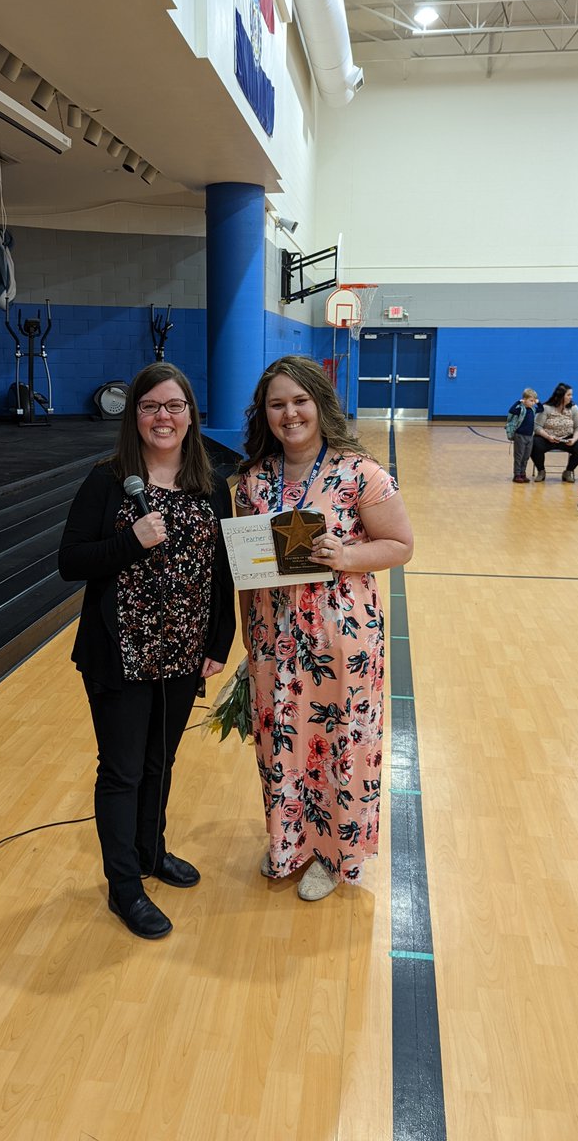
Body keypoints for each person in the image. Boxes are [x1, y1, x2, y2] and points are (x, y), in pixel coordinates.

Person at [58, 362, 235, 939]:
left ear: (190, 415)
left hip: (184, 649)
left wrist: (218, 639)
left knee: (162, 760)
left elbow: (223, 570)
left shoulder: (211, 483)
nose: (164, 417)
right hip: (121, 650)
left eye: (174, 406)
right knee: (123, 770)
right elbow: (71, 561)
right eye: (152, 407)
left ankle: (151, 850)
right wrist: (128, 542)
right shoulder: (107, 480)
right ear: (134, 417)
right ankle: (124, 885)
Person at [235, 355, 414, 902]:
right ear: (264, 414)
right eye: (277, 404)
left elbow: (401, 545)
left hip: (343, 641)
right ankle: (289, 842)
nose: (289, 414)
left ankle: (336, 856)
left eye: (299, 401)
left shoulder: (360, 472)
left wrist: (348, 553)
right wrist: (249, 637)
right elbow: (247, 566)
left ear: (320, 404)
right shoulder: (251, 481)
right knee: (282, 743)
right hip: (274, 640)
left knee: (339, 744)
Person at [531, 383, 578, 482]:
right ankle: (541, 471)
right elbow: (537, 426)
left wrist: (574, 439)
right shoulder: (546, 407)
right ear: (561, 396)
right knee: (533, 444)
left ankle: (568, 471)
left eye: (571, 395)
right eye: (569, 395)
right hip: (547, 438)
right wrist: (548, 436)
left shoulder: (574, 408)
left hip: (566, 439)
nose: (571, 397)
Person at [505, 388, 541, 483]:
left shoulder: (533, 409)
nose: (533, 403)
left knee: (526, 456)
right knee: (519, 456)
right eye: (531, 401)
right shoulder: (520, 409)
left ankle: (522, 474)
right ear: (524, 400)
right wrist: (518, 402)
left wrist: (538, 402)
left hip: (530, 436)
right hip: (520, 436)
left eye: (534, 401)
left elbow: (541, 409)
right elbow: (511, 410)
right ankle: (516, 475)